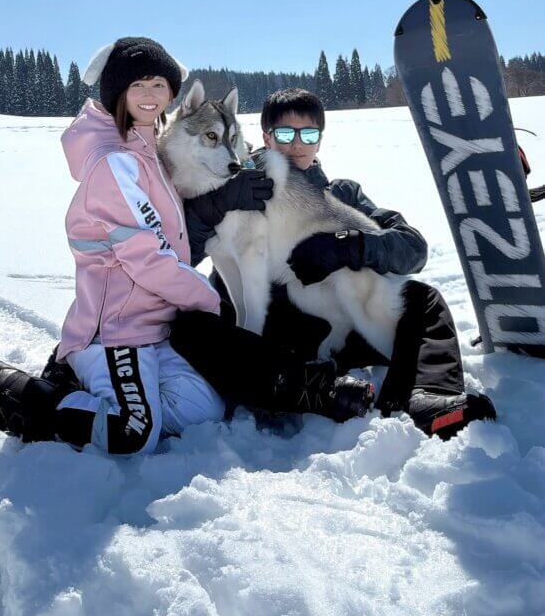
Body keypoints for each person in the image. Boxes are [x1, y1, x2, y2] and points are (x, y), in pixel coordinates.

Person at [0, 37, 273, 464]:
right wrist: (209, 301)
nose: (150, 95)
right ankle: (1, 389)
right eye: (138, 86)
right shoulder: (117, 162)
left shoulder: (148, 151)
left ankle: (86, 391)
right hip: (115, 331)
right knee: (135, 433)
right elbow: (150, 259)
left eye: (158, 85)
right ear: (118, 93)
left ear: (172, 93)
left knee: (202, 410)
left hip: (154, 328)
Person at [170, 87, 496, 439]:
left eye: (308, 134)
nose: (297, 144)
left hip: (338, 328)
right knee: (186, 324)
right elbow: (177, 261)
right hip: (266, 341)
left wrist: (348, 246)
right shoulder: (223, 182)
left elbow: (412, 248)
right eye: (284, 133)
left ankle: (431, 396)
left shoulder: (342, 194)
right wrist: (209, 210)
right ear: (265, 136)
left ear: (320, 141)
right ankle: (318, 391)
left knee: (422, 300)